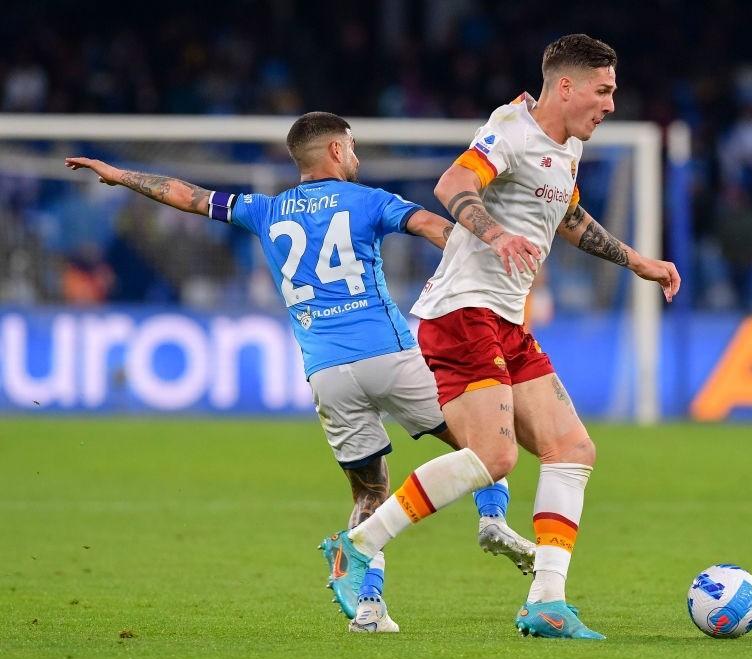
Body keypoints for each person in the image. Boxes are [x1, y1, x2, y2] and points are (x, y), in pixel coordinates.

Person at [64, 112, 535, 632]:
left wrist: (120, 175)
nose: (356, 157)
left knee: (369, 492)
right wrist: (485, 248)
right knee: (486, 448)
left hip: (327, 374)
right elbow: (432, 225)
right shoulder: (370, 200)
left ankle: (370, 607)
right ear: (335, 151)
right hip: (392, 357)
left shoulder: (264, 210)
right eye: (352, 147)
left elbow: (186, 194)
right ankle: (492, 520)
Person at [330, 34, 680, 638]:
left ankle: (546, 602)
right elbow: (451, 185)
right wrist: (494, 236)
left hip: (508, 320)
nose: (611, 105)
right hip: (462, 312)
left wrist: (637, 261)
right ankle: (358, 544)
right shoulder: (510, 129)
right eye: (604, 90)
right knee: (495, 458)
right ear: (564, 86)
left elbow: (565, 217)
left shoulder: (565, 148)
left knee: (573, 450)